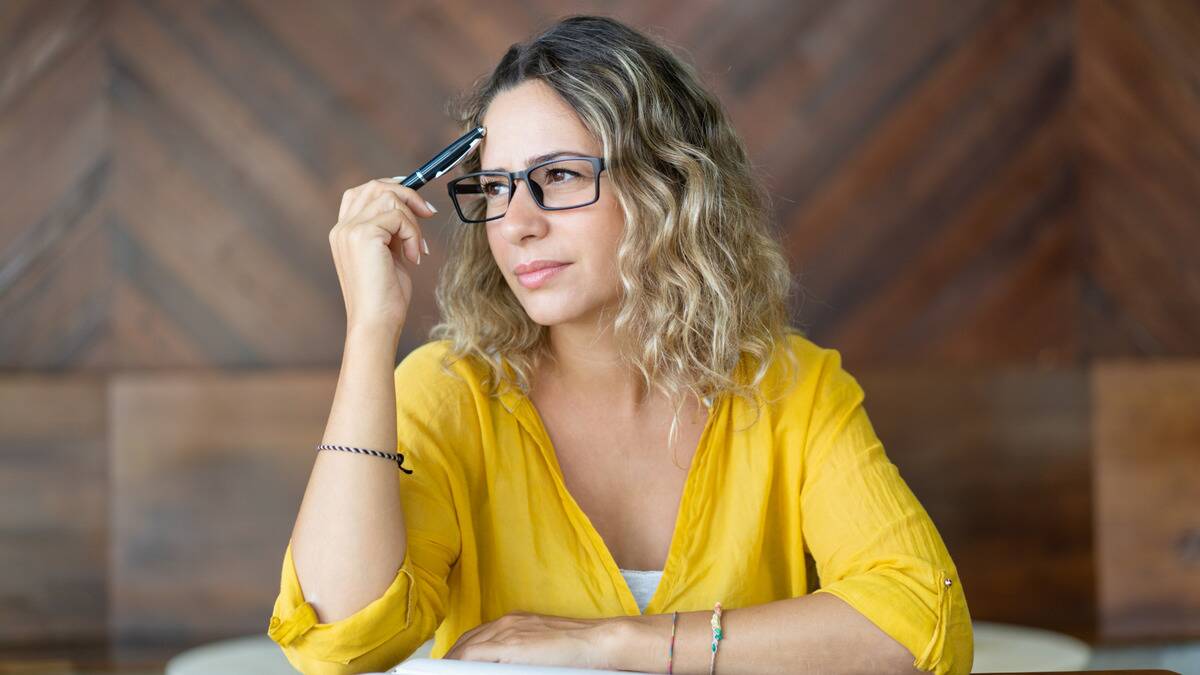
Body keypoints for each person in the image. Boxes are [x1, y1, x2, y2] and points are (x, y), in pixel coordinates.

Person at [267, 14, 972, 675]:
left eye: (560, 176)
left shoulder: (793, 387)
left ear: (668, 181)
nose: (516, 224)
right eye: (497, 186)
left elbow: (920, 620)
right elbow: (339, 636)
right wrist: (368, 330)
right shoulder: (449, 393)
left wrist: (610, 639)